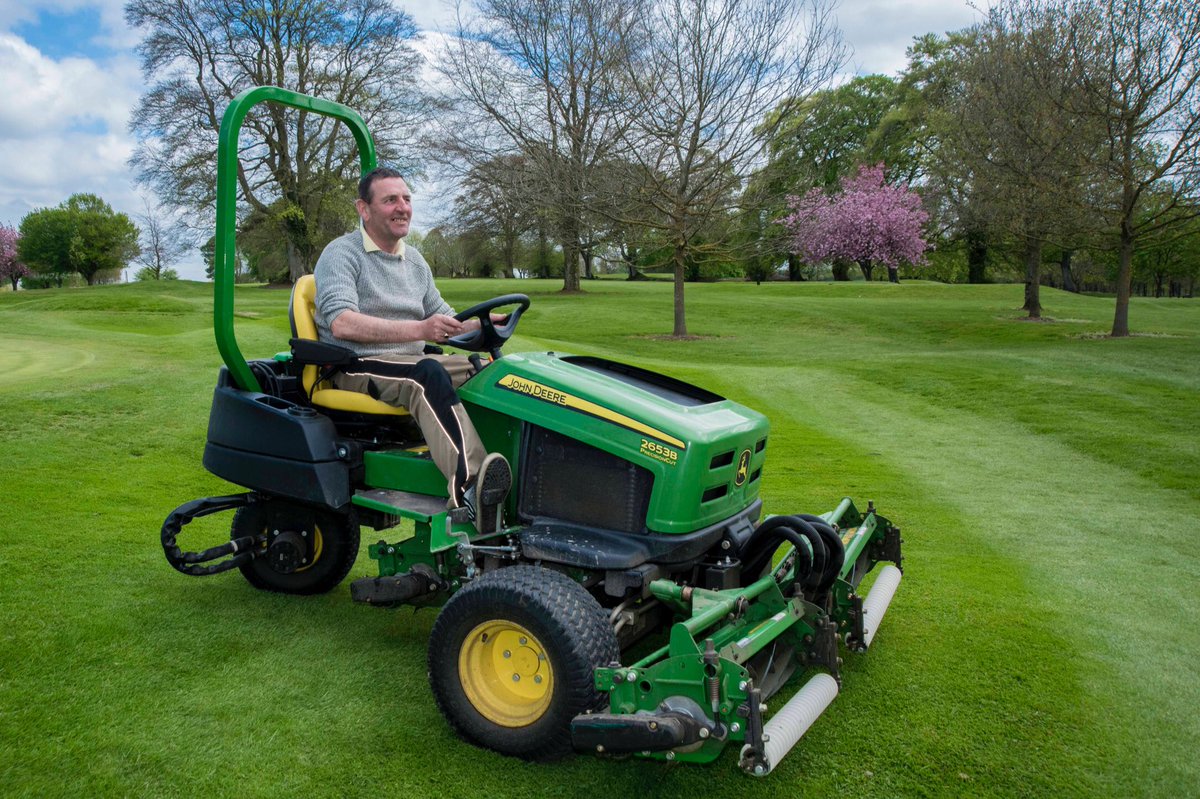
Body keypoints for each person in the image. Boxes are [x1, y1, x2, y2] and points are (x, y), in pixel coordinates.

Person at [313, 166, 510, 530]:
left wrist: (482, 324)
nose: (402, 207)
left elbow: (443, 317)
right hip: (355, 363)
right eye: (390, 200)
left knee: (490, 372)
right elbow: (342, 322)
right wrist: (420, 329)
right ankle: (472, 489)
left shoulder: (415, 260)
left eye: (406, 198)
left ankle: (515, 466)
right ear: (364, 208)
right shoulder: (341, 254)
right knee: (426, 374)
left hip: (410, 359)